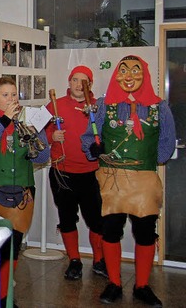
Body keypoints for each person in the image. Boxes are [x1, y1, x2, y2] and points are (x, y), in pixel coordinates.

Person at [81, 55, 176, 306]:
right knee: (111, 232)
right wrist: (92, 147)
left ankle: (142, 286)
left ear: (144, 74)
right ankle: (114, 283)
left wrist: (143, 162)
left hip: (144, 180)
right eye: (123, 71)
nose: (129, 76)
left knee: (145, 233)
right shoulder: (104, 105)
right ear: (116, 75)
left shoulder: (159, 107)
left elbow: (166, 144)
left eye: (136, 71)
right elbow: (87, 137)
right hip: (111, 181)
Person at [0, 76, 50, 308]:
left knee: (12, 247)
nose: (11, 99)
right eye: (5, 95)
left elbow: (44, 156)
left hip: (21, 191)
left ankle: (5, 296)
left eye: (14, 94)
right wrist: (5, 119)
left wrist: (35, 136)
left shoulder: (28, 119)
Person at [45, 66, 107, 280]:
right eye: (75, 80)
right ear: (69, 81)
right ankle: (74, 260)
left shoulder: (99, 107)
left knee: (96, 220)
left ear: (90, 83)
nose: (79, 85)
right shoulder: (55, 105)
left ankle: (99, 260)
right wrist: (52, 137)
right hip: (62, 173)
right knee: (67, 219)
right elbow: (39, 134)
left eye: (84, 81)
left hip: (91, 173)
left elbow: (107, 134)